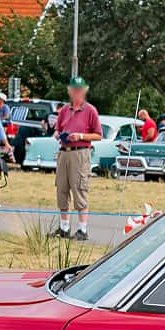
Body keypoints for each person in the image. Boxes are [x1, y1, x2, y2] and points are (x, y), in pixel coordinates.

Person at [53, 76, 101, 239]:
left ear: (84, 91)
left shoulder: (90, 111)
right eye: (74, 89)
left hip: (80, 152)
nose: (76, 92)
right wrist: (57, 134)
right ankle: (64, 228)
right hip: (63, 152)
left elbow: (98, 135)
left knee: (80, 188)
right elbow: (58, 128)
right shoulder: (64, 110)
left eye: (79, 90)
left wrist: (80, 136)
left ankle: (82, 230)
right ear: (70, 91)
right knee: (62, 188)